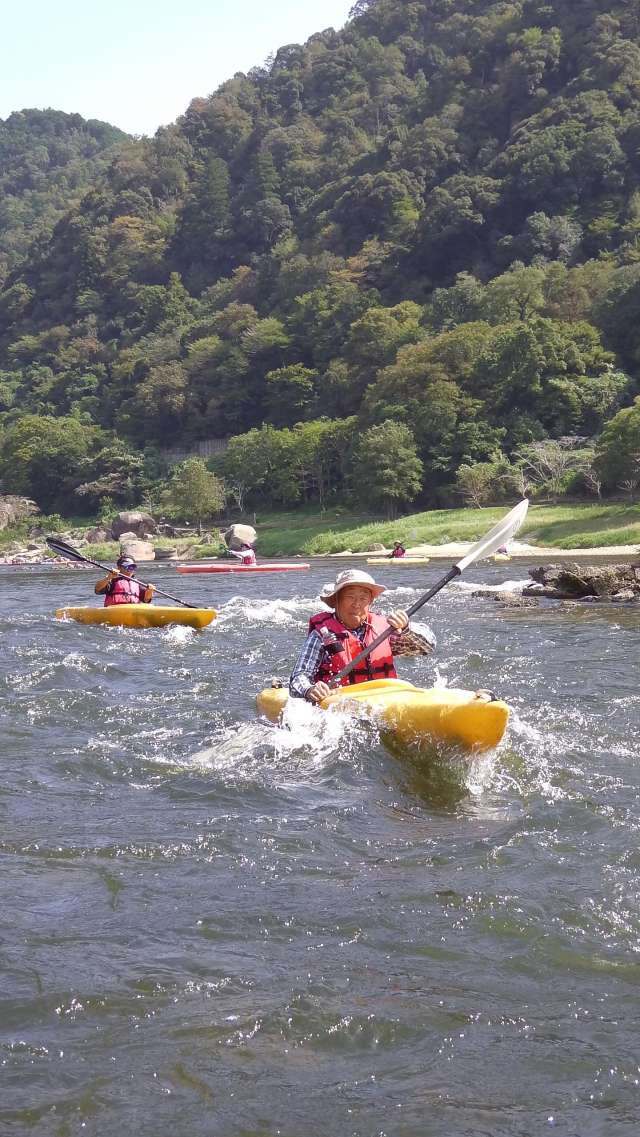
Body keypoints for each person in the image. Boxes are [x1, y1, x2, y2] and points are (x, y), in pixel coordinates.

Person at [289, 569, 412, 704]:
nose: (357, 604)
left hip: (385, 699)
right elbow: (298, 677)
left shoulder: (385, 629)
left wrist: (406, 628)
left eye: (363, 598)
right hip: (342, 703)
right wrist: (309, 689)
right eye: (350, 597)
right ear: (336, 601)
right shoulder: (321, 635)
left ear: (370, 602)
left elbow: (426, 647)